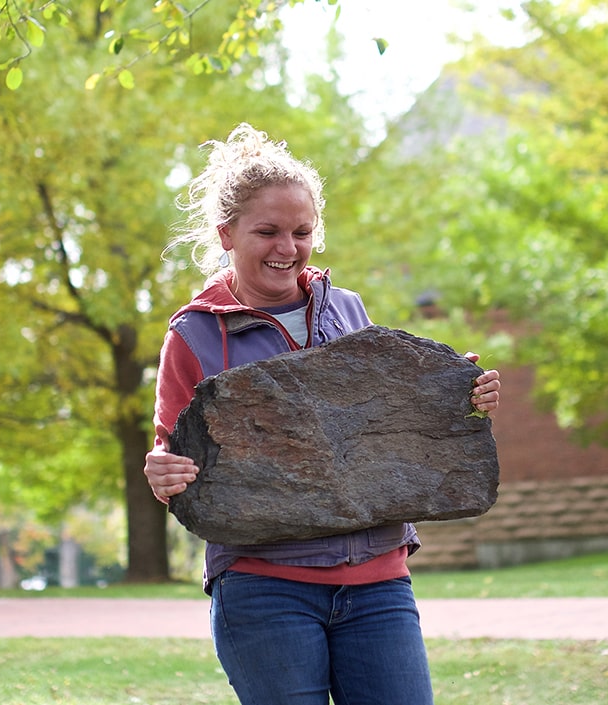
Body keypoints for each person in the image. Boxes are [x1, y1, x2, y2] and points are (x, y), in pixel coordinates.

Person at [142, 124, 503, 705]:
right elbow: (174, 454)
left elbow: (384, 420)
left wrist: (455, 395)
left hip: (379, 584)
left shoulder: (349, 309)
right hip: (265, 590)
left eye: (301, 232)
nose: (287, 248)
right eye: (268, 232)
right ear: (226, 234)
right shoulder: (194, 334)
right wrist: (161, 469)